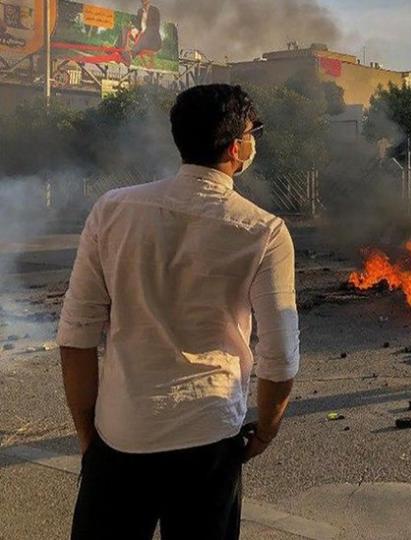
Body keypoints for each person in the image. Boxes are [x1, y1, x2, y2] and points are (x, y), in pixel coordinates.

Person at [58, 84, 300, 540]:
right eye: (255, 132)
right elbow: (281, 357)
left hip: (120, 435)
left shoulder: (112, 210)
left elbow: (76, 334)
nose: (255, 142)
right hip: (209, 441)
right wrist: (265, 431)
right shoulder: (264, 232)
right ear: (236, 148)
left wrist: (88, 436)